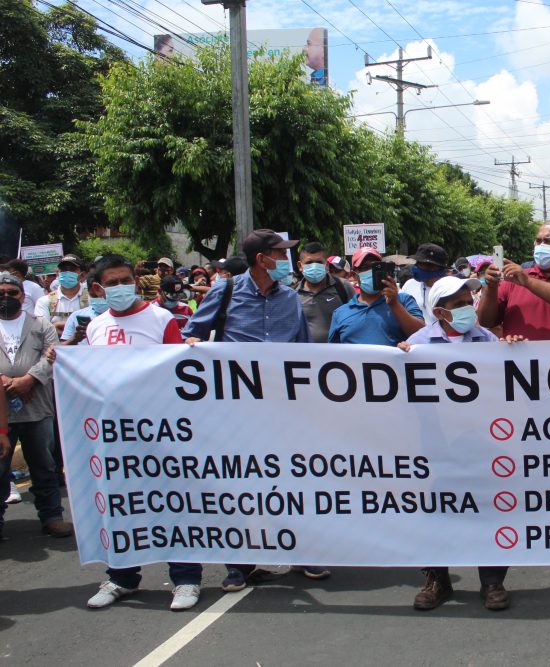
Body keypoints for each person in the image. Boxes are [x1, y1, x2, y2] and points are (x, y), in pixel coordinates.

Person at [183, 230, 323, 589]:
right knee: (237, 485)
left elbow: (303, 350)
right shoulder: (225, 291)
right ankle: (239, 564)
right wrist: (193, 343)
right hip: (236, 411)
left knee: (291, 481)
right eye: (280, 253)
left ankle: (301, 553)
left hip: (282, 408)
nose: (286, 260)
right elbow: (191, 336)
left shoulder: (290, 297)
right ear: (262, 259)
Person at [70, 255, 200, 610]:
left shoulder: (160, 319)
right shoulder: (96, 327)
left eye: (125, 280)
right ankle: (121, 577)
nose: (120, 287)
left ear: (136, 281)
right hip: (114, 433)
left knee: (174, 503)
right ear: (99, 289)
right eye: (112, 283)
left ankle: (186, 579)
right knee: (120, 505)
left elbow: (177, 371)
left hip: (160, 429)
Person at [398, 276, 521, 611]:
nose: (469, 308)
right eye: (459, 304)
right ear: (440, 312)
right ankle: (437, 579)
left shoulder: (487, 339)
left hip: (483, 441)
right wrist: (399, 359)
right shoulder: (418, 343)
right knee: (437, 510)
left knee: (489, 506)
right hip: (437, 443)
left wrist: (514, 349)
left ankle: (492, 580)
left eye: (470, 301)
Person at [0, 272, 70, 542]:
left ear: (23, 296)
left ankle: (52, 517)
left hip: (36, 407)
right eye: (1, 293)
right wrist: (5, 381)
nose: (7, 297)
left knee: (44, 465)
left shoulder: (41, 324)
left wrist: (28, 380)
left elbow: (53, 355)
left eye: (12, 293)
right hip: (1, 412)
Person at [328, 247, 424, 345]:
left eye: (376, 266)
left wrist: (395, 304)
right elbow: (333, 351)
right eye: (365, 267)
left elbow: (422, 336)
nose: (371, 271)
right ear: (354, 274)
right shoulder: (340, 313)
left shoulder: (404, 300)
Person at [296, 242, 355, 343]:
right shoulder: (294, 294)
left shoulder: (343, 287)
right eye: (309, 263)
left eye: (319, 262)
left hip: (339, 351)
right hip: (307, 352)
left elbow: (356, 318)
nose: (314, 266)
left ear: (326, 265)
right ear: (300, 266)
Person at [35, 254, 87, 334]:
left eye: (72, 270)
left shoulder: (92, 299)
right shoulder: (45, 301)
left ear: (82, 275)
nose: (67, 273)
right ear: (58, 274)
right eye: (64, 269)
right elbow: (43, 330)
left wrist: (56, 326)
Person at [401, 243, 450, 326]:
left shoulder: (450, 289)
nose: (416, 267)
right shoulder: (409, 284)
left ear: (435, 267)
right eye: (417, 263)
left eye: (421, 264)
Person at [60, 271, 108, 346]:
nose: (99, 298)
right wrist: (75, 339)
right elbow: (62, 347)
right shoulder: (76, 316)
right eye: (94, 295)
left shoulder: (122, 314)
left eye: (101, 294)